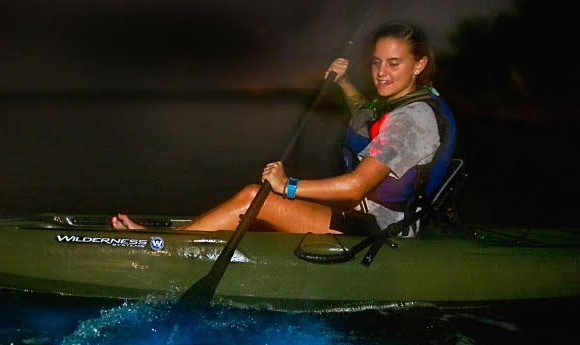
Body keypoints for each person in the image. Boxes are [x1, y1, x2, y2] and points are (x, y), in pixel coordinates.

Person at [112, 21, 448, 236]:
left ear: (419, 64)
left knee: (252, 200)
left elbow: (354, 187)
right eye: (376, 62)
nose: (381, 72)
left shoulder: (410, 118)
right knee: (256, 211)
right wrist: (345, 84)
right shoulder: (409, 103)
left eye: (393, 63)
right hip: (364, 214)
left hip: (380, 227)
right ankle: (186, 234)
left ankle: (159, 245)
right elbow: (366, 114)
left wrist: (288, 186)